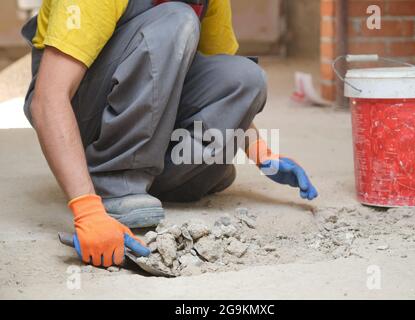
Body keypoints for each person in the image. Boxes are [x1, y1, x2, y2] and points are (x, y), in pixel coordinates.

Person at [21, 0, 318, 268]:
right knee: (177, 18)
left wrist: (260, 152)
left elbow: (221, 79)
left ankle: (151, 182)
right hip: (84, 111)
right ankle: (111, 181)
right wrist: (85, 207)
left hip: (145, 106)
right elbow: (48, 100)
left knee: (245, 78)